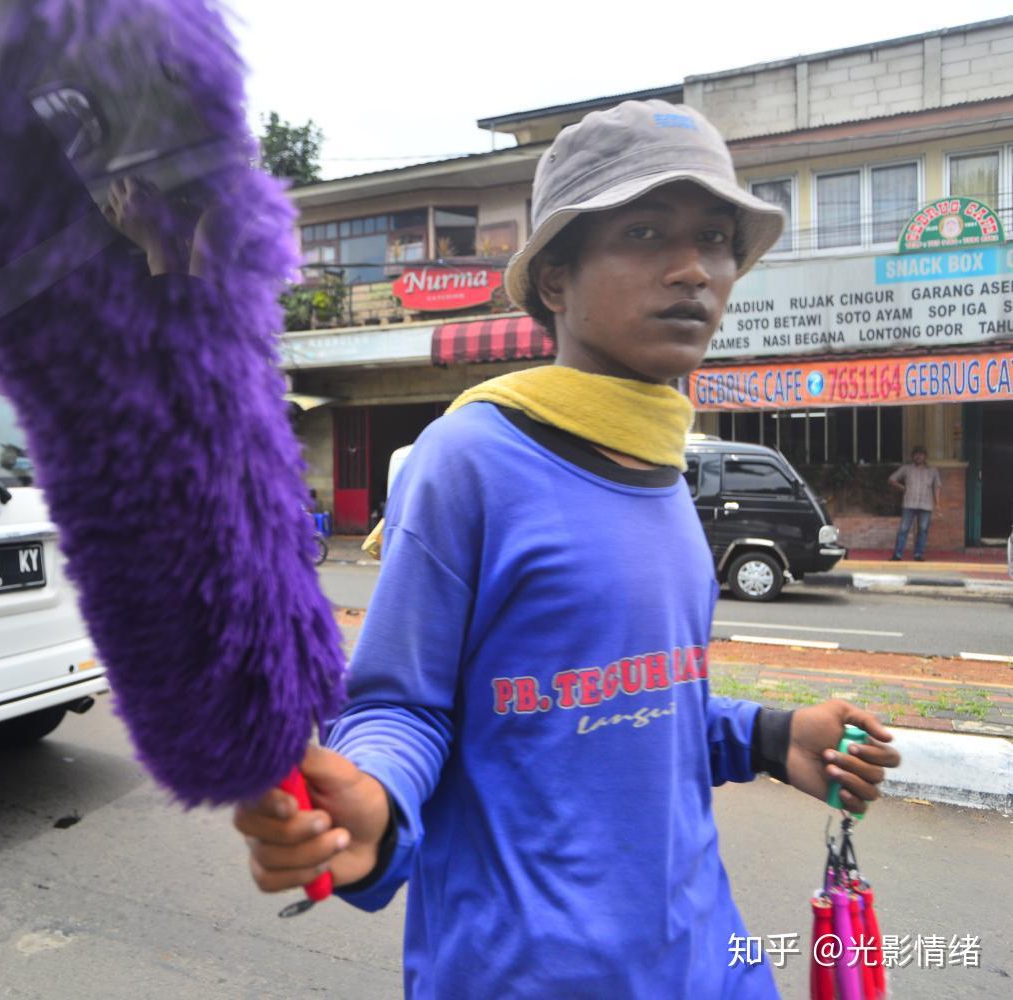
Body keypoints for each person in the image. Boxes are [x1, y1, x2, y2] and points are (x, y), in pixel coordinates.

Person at [234, 100, 901, 999]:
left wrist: (773, 736)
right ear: (555, 278)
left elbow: (626, 706)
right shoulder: (470, 460)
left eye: (715, 237)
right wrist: (377, 807)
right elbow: (407, 707)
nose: (694, 268)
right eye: (645, 230)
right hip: (525, 976)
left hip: (707, 962)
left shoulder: (664, 465)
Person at [889, 446, 941, 561]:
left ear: (925, 456)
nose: (918, 457)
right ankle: (897, 555)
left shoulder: (933, 470)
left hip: (926, 505)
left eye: (921, 454)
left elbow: (937, 487)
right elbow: (892, 479)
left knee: (923, 530)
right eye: (916, 454)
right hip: (909, 504)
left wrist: (937, 504)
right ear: (913, 456)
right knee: (903, 529)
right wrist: (903, 488)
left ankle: (918, 555)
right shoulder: (906, 469)